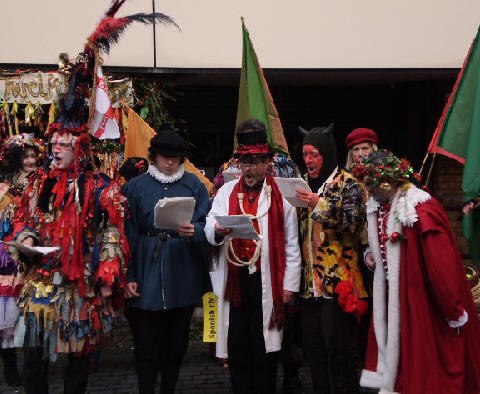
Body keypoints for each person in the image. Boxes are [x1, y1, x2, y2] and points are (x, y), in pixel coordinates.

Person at [351, 150, 480, 394]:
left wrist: (452, 309)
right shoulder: (380, 205)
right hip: (393, 300)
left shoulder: (421, 209)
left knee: (427, 365)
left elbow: (441, 266)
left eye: (373, 185)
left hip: (422, 301)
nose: (370, 192)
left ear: (389, 182)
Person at [205, 119, 301, 394]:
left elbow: (292, 245)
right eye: (245, 162)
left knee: (265, 348)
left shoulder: (281, 197)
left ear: (267, 163)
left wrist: (288, 287)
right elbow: (209, 225)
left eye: (255, 162)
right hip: (236, 284)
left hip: (267, 281)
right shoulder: (225, 192)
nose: (249, 168)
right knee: (237, 345)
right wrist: (218, 230)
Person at [122, 129, 211, 394]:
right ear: (153, 156)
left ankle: (168, 389)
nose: (170, 163)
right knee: (146, 345)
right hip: (145, 268)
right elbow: (127, 235)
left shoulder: (194, 185)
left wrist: (195, 230)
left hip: (181, 267)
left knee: (176, 344)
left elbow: (208, 224)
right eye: (164, 157)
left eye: (175, 157)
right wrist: (129, 277)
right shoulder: (135, 187)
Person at [295, 124, 368, 394]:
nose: (309, 160)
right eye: (305, 154)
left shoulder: (349, 184)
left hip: (340, 284)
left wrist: (319, 205)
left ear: (326, 154)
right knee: (313, 350)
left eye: (314, 154)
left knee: (339, 349)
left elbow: (354, 223)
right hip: (308, 284)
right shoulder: (300, 184)